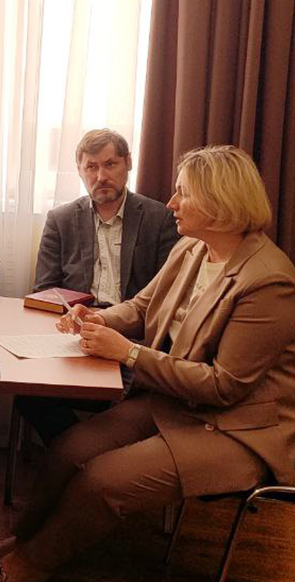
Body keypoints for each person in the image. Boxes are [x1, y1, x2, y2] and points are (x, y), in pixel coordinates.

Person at [0, 146, 295, 582]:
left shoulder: (268, 281)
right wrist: (98, 319)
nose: (171, 203)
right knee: (68, 451)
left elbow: (224, 386)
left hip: (242, 428)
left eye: (183, 193)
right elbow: (141, 306)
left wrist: (128, 352)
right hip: (181, 401)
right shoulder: (193, 249)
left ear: (219, 202)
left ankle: (25, 568)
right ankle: (19, 542)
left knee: (102, 481)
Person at [19, 128, 180, 443]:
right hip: (76, 334)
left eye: (110, 164)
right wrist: (76, 322)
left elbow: (168, 295)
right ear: (79, 170)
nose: (101, 176)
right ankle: (79, 452)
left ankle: (82, 455)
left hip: (133, 335)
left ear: (128, 163)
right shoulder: (61, 219)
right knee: (28, 394)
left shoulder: (159, 217)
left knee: (134, 397)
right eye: (91, 167)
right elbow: (45, 289)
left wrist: (117, 326)